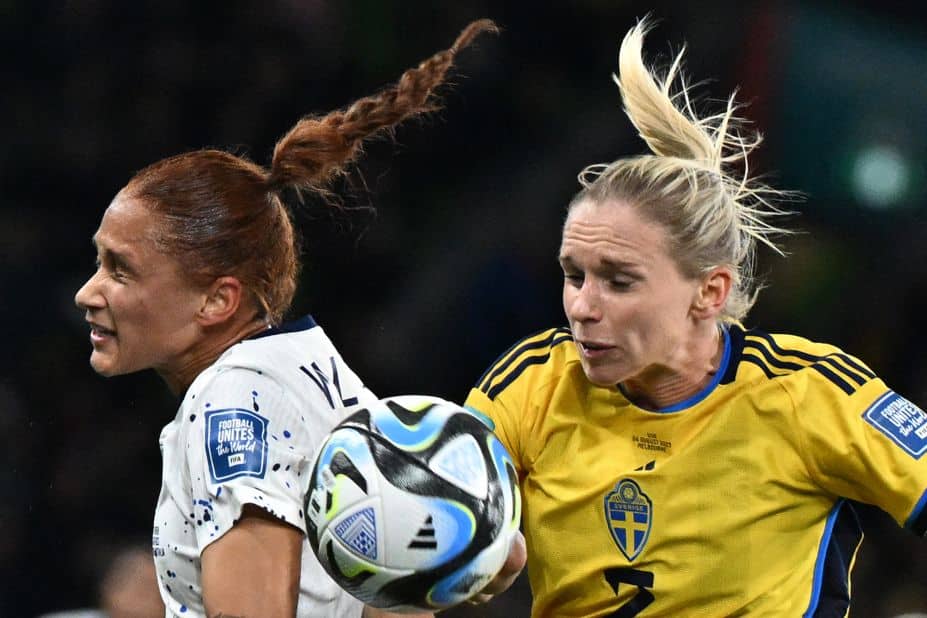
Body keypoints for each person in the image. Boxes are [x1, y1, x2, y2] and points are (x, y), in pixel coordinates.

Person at [464, 18, 927, 617]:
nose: (582, 306)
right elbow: (426, 522)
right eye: (573, 274)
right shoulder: (530, 386)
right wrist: (462, 556)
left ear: (708, 293)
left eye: (619, 281)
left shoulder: (808, 394)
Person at [74, 19, 522, 618]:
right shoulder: (307, 367)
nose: (87, 292)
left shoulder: (231, 404)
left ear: (217, 301)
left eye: (119, 269)